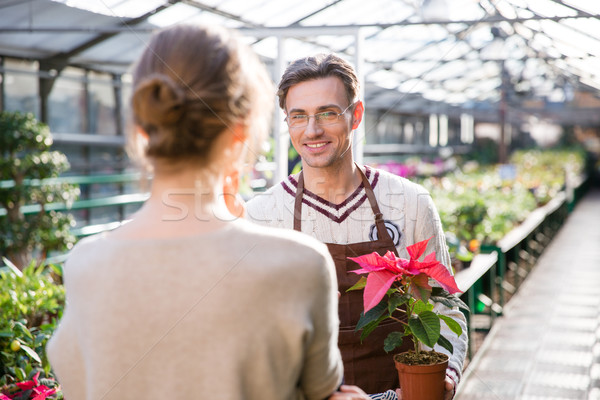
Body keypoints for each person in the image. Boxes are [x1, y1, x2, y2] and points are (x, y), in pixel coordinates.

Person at [46, 25, 355, 400]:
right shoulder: (299, 263)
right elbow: (321, 390)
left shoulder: (85, 265)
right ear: (240, 133)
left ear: (143, 127)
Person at [246, 54, 467, 399]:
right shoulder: (262, 215)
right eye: (298, 117)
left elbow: (443, 303)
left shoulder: (409, 202)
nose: (312, 130)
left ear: (356, 115)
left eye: (328, 113)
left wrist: (447, 375)